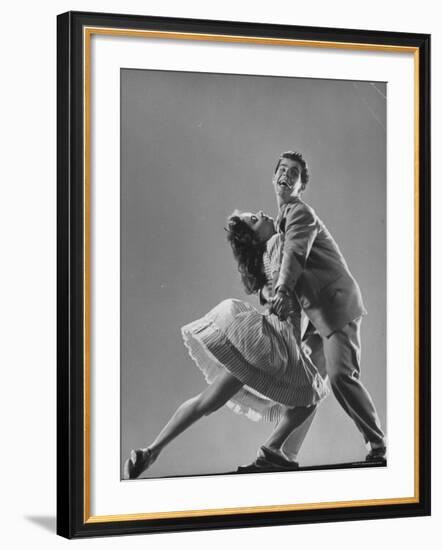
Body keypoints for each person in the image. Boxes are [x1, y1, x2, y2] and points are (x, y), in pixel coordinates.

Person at [123, 210, 329, 480]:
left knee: (207, 402)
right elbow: (294, 284)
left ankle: (151, 451)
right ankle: (273, 450)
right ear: (255, 238)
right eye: (255, 219)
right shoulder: (279, 243)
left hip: (261, 342)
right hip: (277, 343)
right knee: (311, 396)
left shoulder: (267, 260)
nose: (261, 214)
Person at [267, 150, 386, 463]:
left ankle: (378, 446)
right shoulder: (283, 223)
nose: (286, 175)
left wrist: (281, 288)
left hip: (337, 309)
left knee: (340, 378)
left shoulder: (299, 212)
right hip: (320, 319)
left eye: (294, 173)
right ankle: (283, 454)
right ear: (273, 177)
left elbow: (295, 255)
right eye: (283, 169)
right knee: (304, 385)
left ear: (301, 186)